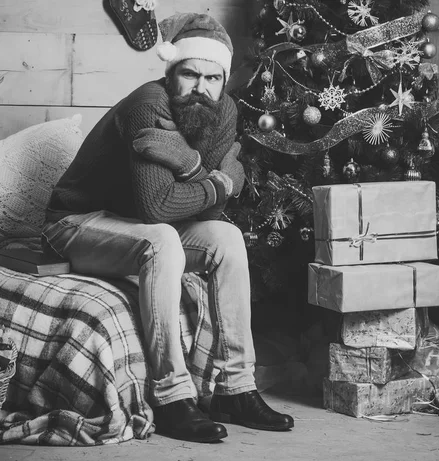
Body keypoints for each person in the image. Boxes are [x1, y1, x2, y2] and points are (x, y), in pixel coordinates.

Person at [41, 12, 294, 443]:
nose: (201, 87)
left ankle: (236, 388)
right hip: (75, 222)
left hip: (131, 224)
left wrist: (193, 167)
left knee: (228, 238)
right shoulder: (149, 104)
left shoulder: (223, 110)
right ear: (171, 72)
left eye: (212, 78)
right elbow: (158, 207)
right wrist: (219, 181)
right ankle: (172, 396)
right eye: (190, 74)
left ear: (223, 81)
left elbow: (206, 217)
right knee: (161, 240)